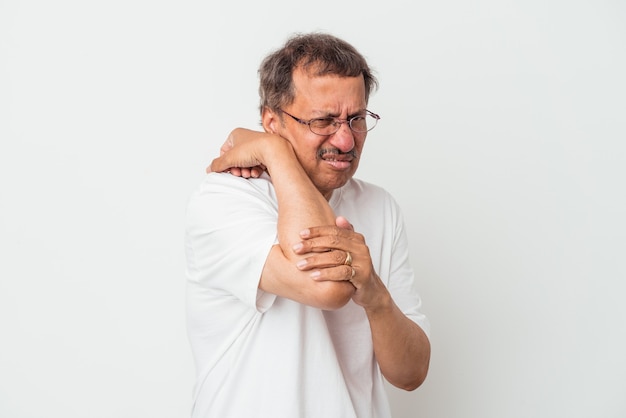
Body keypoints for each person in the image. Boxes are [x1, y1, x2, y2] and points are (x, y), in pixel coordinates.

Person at [184, 32, 430, 418]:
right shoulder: (224, 199)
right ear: (273, 122)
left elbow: (411, 373)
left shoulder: (380, 207)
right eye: (323, 121)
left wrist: (375, 295)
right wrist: (275, 153)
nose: (346, 140)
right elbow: (327, 289)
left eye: (357, 119)